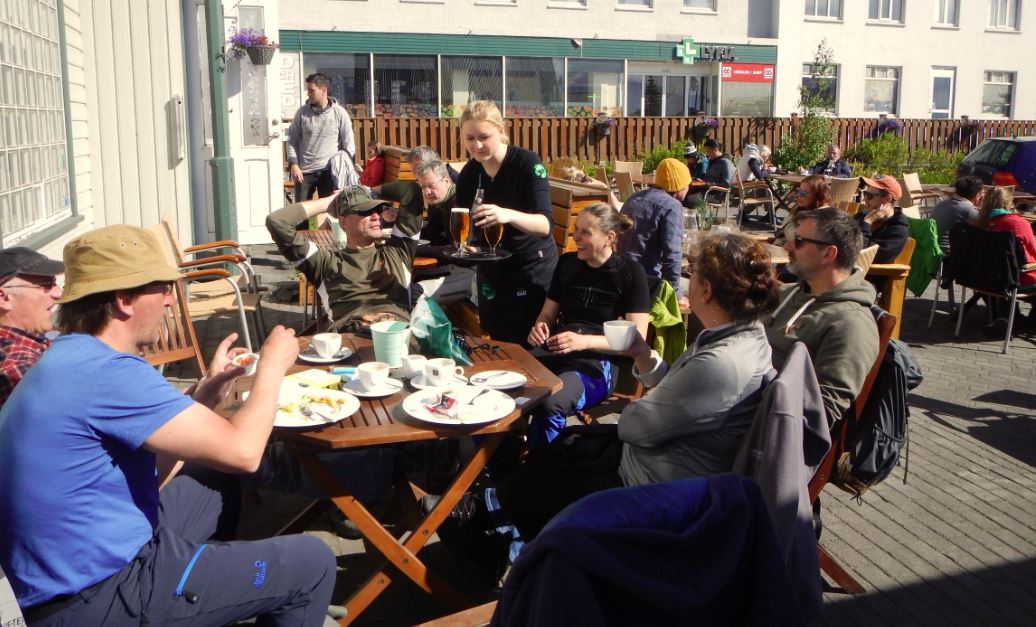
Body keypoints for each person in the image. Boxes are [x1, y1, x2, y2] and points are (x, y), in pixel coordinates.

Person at [0, 225, 336, 626]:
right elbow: (245, 452)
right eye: (162, 289)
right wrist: (272, 366)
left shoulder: (72, 355)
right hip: (98, 594)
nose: (170, 300)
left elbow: (147, 469)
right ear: (124, 300)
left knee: (211, 476)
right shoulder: (108, 373)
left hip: (75, 568)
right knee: (313, 563)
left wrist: (206, 395)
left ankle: (218, 599)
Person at [446, 233, 778, 544]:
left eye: (693, 274)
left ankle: (490, 529)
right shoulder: (737, 336)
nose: (686, 283)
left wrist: (639, 406)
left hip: (652, 485)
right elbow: (675, 391)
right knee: (555, 451)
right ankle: (494, 515)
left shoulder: (723, 363)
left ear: (705, 290)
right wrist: (641, 352)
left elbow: (633, 426)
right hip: (648, 457)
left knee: (545, 473)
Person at [525, 203, 650, 446]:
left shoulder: (630, 273)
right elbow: (547, 315)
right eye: (575, 230)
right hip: (556, 350)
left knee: (552, 402)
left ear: (609, 238)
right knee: (503, 384)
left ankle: (541, 461)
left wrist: (583, 342)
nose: (576, 237)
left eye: (585, 232)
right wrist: (540, 327)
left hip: (598, 363)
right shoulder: (567, 264)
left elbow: (637, 340)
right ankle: (500, 454)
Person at [454, 100, 558, 343]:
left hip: (530, 269)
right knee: (499, 342)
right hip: (493, 273)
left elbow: (545, 225)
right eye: (470, 138)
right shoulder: (470, 174)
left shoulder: (526, 164)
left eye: (484, 137)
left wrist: (507, 214)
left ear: (501, 131)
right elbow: (469, 230)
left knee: (531, 349)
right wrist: (468, 247)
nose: (477, 145)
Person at [766, 207, 879, 425]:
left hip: (765, 427)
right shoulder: (788, 293)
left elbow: (822, 413)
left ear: (828, 254)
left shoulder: (851, 324)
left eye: (799, 241)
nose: (788, 246)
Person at [266, 185, 421, 328]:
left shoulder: (398, 251)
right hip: (352, 336)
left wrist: (368, 190)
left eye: (378, 210)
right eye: (365, 212)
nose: (376, 216)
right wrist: (327, 203)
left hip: (399, 334)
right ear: (343, 222)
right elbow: (276, 222)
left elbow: (411, 191)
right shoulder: (326, 262)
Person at [616, 158, 689, 306]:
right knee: (693, 287)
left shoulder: (634, 197)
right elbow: (672, 255)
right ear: (679, 186)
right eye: (687, 184)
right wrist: (675, 294)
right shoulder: (672, 206)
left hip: (620, 275)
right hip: (647, 283)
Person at [0, 249, 63, 406]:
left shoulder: (38, 334)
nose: (58, 293)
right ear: (4, 298)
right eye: (46, 284)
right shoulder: (17, 369)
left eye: (55, 282)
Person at [286, 73, 356, 203]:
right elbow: (291, 140)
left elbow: (349, 143)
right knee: (301, 211)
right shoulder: (302, 113)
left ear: (323, 90)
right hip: (304, 172)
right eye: (308, 90)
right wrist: (294, 165)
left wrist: (343, 167)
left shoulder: (339, 113)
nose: (308, 94)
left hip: (329, 172)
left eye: (311, 91)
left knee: (329, 211)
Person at [977, 186, 1036, 287]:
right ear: (1009, 203)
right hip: (1016, 278)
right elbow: (1033, 250)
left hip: (981, 277)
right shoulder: (1018, 223)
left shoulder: (978, 223)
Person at [856, 175, 909, 264]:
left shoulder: (897, 231)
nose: (864, 199)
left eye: (870, 196)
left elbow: (863, 255)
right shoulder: (862, 216)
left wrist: (867, 222)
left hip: (864, 271)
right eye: (865, 194)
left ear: (887, 199)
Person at [932, 175, 983, 251]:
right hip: (947, 251)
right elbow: (984, 226)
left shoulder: (943, 203)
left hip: (932, 247)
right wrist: (979, 205)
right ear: (978, 194)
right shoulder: (968, 208)